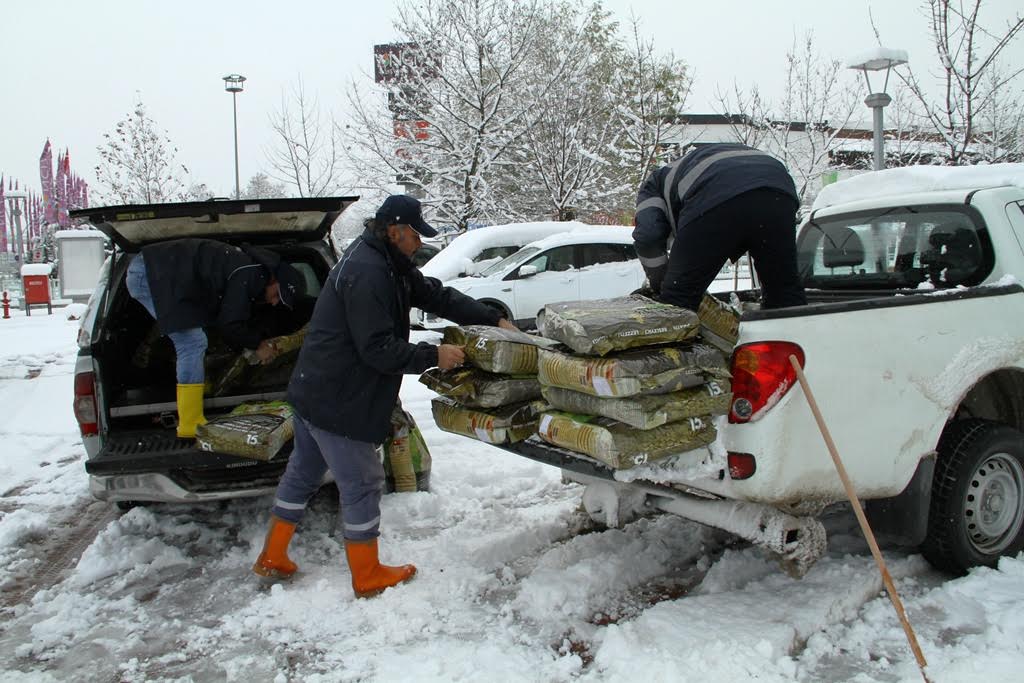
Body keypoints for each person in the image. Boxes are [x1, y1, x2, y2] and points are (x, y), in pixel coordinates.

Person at [253, 194, 517, 598]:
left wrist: (492, 317)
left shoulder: (387, 261)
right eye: (414, 235)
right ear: (394, 231)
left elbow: (434, 295)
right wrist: (435, 356)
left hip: (314, 389)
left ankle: (273, 556)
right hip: (339, 396)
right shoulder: (368, 271)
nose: (418, 243)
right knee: (362, 482)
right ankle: (367, 573)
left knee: (303, 473)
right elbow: (376, 348)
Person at [126, 238, 307, 438]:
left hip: (157, 273)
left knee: (196, 336)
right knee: (192, 342)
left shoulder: (249, 271)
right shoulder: (249, 272)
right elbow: (230, 324)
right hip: (149, 273)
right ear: (275, 280)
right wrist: (258, 345)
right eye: (277, 296)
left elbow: (227, 320)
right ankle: (190, 422)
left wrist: (250, 345)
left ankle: (198, 393)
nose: (274, 303)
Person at [633, 142, 808, 312]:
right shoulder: (688, 168)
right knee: (784, 293)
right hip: (778, 189)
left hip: (717, 192)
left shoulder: (652, 185)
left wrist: (660, 284)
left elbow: (648, 237)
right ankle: (793, 337)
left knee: (679, 301)